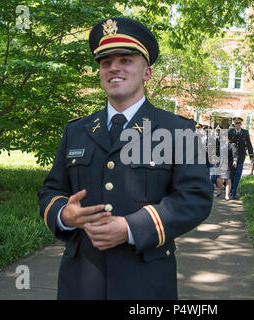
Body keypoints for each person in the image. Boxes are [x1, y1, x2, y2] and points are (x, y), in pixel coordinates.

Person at [37, 17, 213, 300]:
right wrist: (64, 214)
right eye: (105, 62)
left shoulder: (177, 130)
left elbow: (195, 197)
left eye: (126, 60)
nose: (114, 68)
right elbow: (51, 190)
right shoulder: (76, 130)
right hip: (81, 280)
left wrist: (131, 227)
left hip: (145, 282)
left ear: (147, 72)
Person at [228, 117, 253, 200]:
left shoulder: (245, 132)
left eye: (238, 123)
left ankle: (233, 192)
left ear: (241, 124)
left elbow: (249, 144)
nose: (237, 125)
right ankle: (230, 190)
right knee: (232, 174)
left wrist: (251, 156)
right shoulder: (230, 132)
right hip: (231, 157)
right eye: (235, 123)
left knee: (238, 175)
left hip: (241, 157)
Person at [216, 134, 238, 200]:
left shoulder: (232, 145)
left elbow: (235, 154)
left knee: (228, 179)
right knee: (219, 179)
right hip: (221, 164)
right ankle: (220, 189)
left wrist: (235, 161)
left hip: (229, 165)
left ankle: (227, 195)